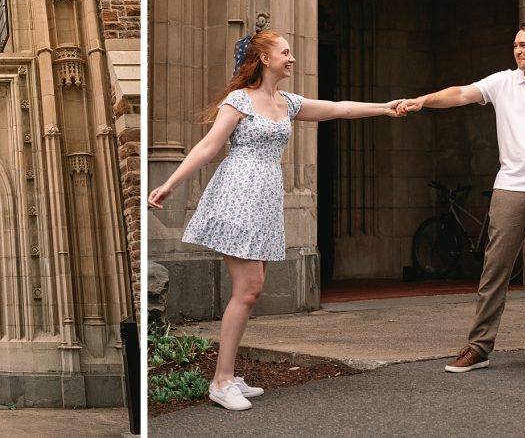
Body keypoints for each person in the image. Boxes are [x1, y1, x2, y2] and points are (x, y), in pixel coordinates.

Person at [147, 30, 404, 410]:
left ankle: (229, 375)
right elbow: (209, 145)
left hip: (265, 199)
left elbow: (338, 108)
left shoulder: (287, 102)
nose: (292, 58)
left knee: (252, 289)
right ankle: (220, 382)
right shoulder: (239, 100)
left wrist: (384, 107)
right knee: (248, 290)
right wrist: (169, 183)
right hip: (238, 195)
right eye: (286, 52)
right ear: (265, 59)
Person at [400, 22, 525, 379]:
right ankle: (479, 346)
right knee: (494, 270)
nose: (517, 51)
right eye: (515, 46)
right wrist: (423, 101)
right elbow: (460, 94)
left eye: (523, 45)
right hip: (510, 187)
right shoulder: (503, 82)